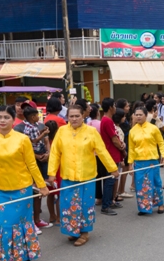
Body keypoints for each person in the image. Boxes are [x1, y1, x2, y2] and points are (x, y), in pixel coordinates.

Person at [0, 105, 49, 261]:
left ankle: (23, 256)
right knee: (3, 225)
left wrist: (41, 185)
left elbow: (32, 164)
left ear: (13, 120)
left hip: (22, 189)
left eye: (6, 117)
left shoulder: (22, 139)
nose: (2, 120)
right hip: (3, 190)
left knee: (20, 224)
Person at [47, 104, 119, 248]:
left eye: (77, 116)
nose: (74, 119)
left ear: (83, 116)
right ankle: (73, 230)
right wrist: (51, 173)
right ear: (67, 117)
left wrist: (112, 168)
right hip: (68, 176)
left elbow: (102, 151)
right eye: (71, 116)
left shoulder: (91, 131)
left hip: (87, 176)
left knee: (85, 204)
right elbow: (55, 153)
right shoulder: (61, 131)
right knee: (69, 204)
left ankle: (85, 233)